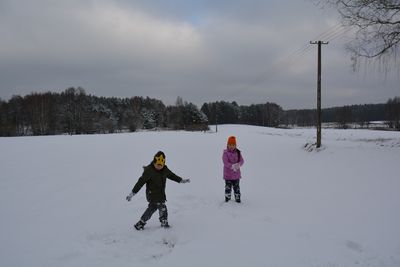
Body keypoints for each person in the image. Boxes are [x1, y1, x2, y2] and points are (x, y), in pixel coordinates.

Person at [126, 151, 190, 230]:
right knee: (162, 207)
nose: (159, 167)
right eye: (157, 165)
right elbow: (140, 183)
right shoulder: (149, 171)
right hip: (152, 194)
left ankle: (141, 222)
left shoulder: (165, 170)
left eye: (161, 165)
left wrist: (180, 180)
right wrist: (132, 193)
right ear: (154, 162)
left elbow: (172, 175)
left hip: (161, 194)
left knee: (152, 208)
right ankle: (163, 221)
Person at [222, 136, 244, 203]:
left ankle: (238, 199)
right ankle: (227, 199)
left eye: (233, 145)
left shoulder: (238, 152)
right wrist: (232, 166)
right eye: (230, 145)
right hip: (228, 175)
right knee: (228, 188)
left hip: (236, 175)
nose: (231, 146)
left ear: (235, 145)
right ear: (227, 145)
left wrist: (238, 165)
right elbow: (225, 162)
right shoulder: (225, 153)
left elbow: (242, 161)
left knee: (237, 188)